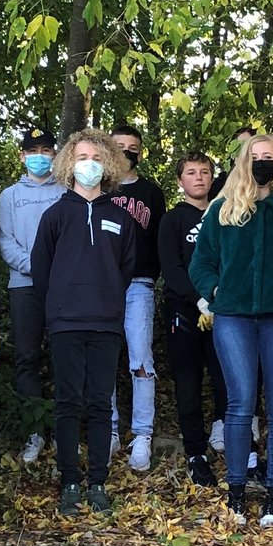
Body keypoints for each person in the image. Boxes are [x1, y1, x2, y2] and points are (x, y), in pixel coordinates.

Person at [188, 134, 273, 528]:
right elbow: (200, 263)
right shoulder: (223, 210)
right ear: (245, 162)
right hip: (233, 318)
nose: (262, 162)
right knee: (240, 404)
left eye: (270, 156)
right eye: (255, 156)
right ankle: (237, 492)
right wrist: (217, 291)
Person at [31, 130, 137, 516]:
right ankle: (70, 482)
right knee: (67, 402)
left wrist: (105, 298)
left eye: (95, 156)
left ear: (107, 163)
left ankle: (97, 482)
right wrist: (59, 305)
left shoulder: (120, 217)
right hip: (65, 321)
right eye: (80, 157)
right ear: (68, 164)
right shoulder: (55, 214)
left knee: (98, 403)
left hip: (106, 322)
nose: (88, 163)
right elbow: (41, 271)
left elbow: (125, 269)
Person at [159, 154, 230, 487]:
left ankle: (233, 441)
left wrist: (218, 299)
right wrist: (197, 298)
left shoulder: (225, 215)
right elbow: (170, 268)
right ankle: (195, 454)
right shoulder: (171, 220)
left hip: (223, 310)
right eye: (190, 173)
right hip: (184, 311)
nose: (198, 178)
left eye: (204, 172)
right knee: (188, 383)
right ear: (180, 181)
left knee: (225, 378)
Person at [0, 126, 63, 462]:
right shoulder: (9, 196)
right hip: (24, 286)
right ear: (22, 155)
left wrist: (57, 270)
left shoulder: (66, 190)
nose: (40, 156)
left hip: (64, 285)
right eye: (33, 150)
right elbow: (6, 241)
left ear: (55, 154)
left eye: (46, 150)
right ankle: (33, 434)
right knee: (27, 358)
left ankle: (66, 431)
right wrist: (35, 266)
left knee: (66, 355)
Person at [106, 123, 168, 472]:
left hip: (139, 285)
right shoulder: (97, 189)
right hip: (101, 286)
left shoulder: (151, 193)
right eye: (119, 145)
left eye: (132, 147)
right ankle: (110, 429)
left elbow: (160, 240)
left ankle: (142, 434)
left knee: (141, 361)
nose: (126, 152)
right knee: (105, 360)